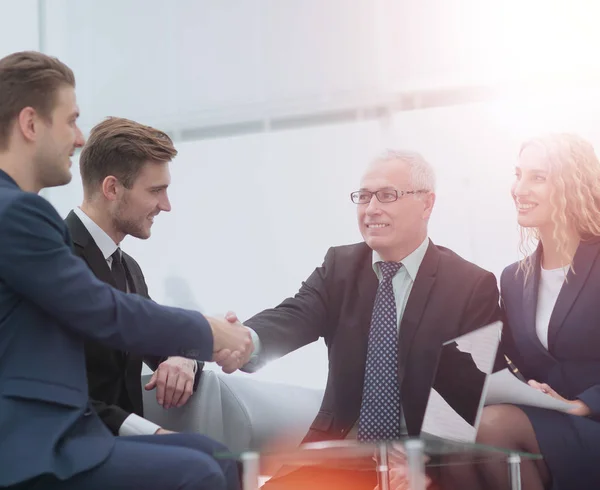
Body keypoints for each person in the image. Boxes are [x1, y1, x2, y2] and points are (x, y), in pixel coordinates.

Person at [0, 51, 250, 490]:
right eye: (70, 121)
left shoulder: (120, 263)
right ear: (30, 124)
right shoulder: (20, 215)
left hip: (62, 434)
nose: (79, 139)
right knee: (200, 471)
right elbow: (104, 312)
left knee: (216, 460)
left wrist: (188, 352)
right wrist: (211, 333)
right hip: (38, 444)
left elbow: (130, 319)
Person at [217, 150, 502, 489]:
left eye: (387, 196)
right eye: (363, 197)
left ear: (427, 204)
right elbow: (294, 315)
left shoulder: (471, 285)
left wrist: (422, 461)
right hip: (338, 452)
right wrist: (245, 341)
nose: (371, 209)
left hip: (423, 459)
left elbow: (467, 392)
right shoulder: (340, 266)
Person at [443, 133, 600, 490]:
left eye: (537, 177)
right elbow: (512, 362)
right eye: (518, 175)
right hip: (545, 423)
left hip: (590, 421)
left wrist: (583, 405)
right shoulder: (514, 279)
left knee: (491, 428)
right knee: (451, 440)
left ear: (573, 186)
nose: (519, 188)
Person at [66, 116, 202, 436]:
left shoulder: (128, 268)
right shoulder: (56, 259)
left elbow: (168, 334)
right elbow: (53, 393)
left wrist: (183, 358)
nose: (165, 206)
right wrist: (152, 435)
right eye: (156, 191)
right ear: (112, 188)